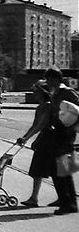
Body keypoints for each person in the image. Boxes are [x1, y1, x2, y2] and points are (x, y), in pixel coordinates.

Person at [41, 67, 78, 215]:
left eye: (49, 79)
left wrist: (70, 127)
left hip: (65, 135)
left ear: (56, 79)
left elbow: (77, 110)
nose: (47, 82)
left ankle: (67, 203)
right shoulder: (55, 93)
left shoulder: (67, 92)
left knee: (60, 169)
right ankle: (66, 200)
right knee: (62, 169)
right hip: (56, 133)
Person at [17, 81, 55, 207]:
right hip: (47, 139)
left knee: (39, 169)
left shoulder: (47, 106)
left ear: (42, 93)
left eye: (36, 92)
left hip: (48, 140)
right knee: (46, 170)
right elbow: (35, 125)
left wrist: (28, 138)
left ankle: (35, 198)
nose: (35, 95)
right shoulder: (42, 107)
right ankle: (35, 197)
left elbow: (40, 125)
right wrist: (25, 137)